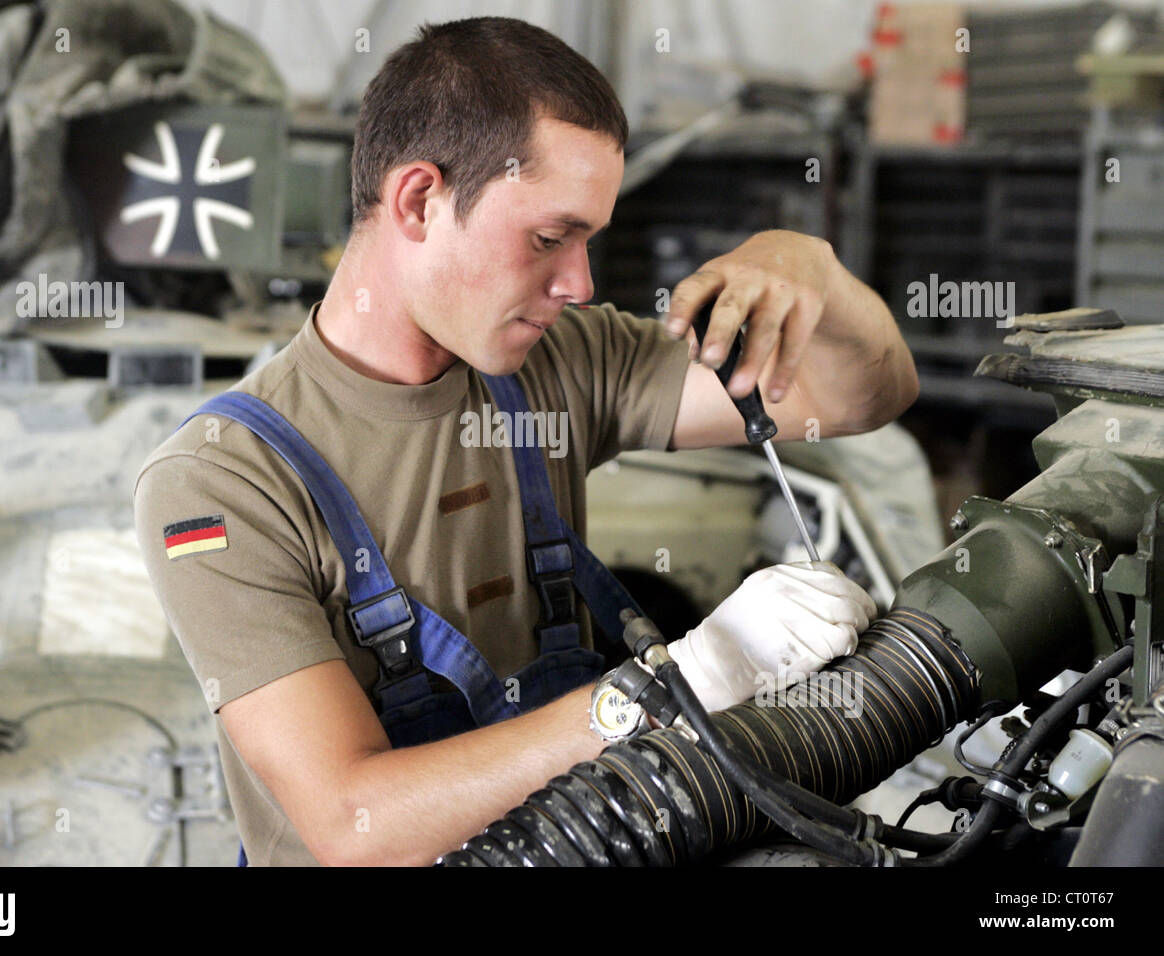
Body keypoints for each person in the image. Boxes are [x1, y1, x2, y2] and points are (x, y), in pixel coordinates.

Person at [133, 16, 917, 867]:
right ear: (419, 200)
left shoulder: (558, 364)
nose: (578, 285)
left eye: (587, 241)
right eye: (549, 239)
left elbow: (862, 395)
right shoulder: (222, 483)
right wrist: (669, 689)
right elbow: (353, 822)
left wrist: (810, 268)